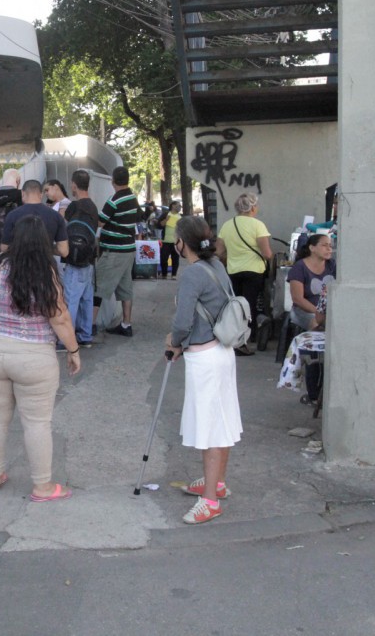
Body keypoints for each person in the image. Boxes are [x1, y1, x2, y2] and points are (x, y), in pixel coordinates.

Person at [0, 215, 81, 502]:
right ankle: (42, 487)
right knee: (37, 422)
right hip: (34, 359)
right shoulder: (46, 271)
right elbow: (60, 318)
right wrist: (74, 351)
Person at [164, 215, 242, 525]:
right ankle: (217, 484)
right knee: (221, 420)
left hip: (204, 357)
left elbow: (182, 322)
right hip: (222, 351)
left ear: (182, 243)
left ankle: (209, 499)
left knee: (209, 427)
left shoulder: (191, 274)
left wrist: (174, 342)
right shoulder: (217, 266)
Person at [215, 193, 272, 355]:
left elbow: (218, 252)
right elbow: (267, 253)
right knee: (250, 306)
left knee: (236, 307)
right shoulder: (258, 225)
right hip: (254, 272)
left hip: (233, 271)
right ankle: (246, 340)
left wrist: (233, 256)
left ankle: (236, 339)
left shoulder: (227, 225)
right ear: (253, 207)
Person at [94, 166, 139, 336]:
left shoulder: (115, 200)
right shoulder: (132, 198)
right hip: (128, 250)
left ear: (113, 181)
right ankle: (126, 324)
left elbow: (100, 222)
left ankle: (89, 325)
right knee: (125, 289)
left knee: (98, 286)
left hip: (114, 251)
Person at [63, 169, 98, 349]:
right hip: (89, 260)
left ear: (74, 185)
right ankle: (85, 336)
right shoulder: (93, 207)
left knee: (70, 300)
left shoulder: (73, 207)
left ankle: (66, 340)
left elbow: (64, 226)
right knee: (86, 298)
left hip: (74, 261)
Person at [0, 179, 69, 258]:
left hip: (19, 267)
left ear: (22, 193)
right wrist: (46, 248)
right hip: (46, 266)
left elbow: (4, 248)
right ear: (41, 195)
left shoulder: (12, 215)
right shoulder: (56, 216)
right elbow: (64, 251)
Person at [288, 233, 336, 330]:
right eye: (324, 245)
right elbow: (298, 299)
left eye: (330, 246)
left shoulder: (333, 265)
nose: (329, 249)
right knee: (316, 324)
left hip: (329, 311)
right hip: (305, 311)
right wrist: (319, 313)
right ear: (312, 248)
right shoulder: (299, 267)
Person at [158, 200, 182, 279]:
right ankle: (164, 274)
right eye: (178, 205)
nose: (179, 207)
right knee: (164, 258)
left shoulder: (180, 216)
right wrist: (166, 220)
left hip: (176, 241)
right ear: (173, 206)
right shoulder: (166, 214)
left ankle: (174, 274)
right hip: (165, 241)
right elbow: (159, 225)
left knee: (175, 258)